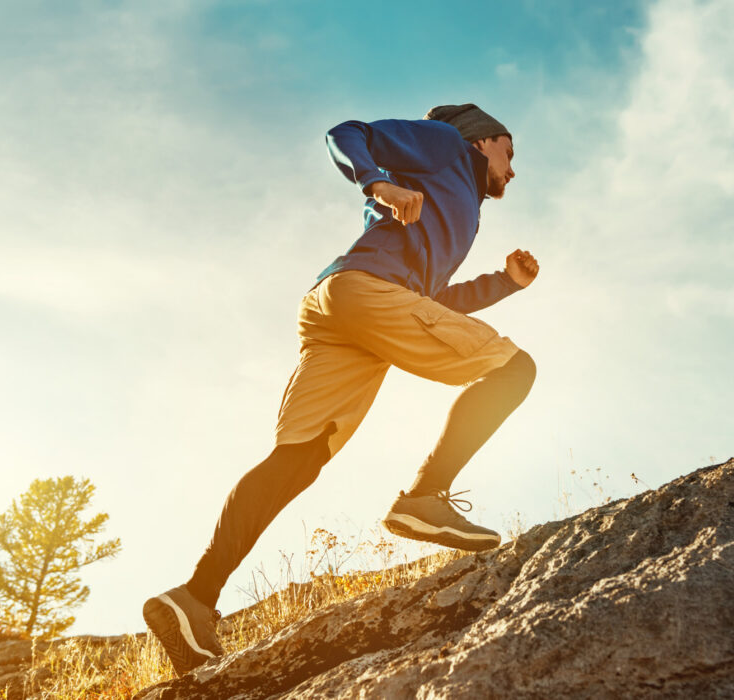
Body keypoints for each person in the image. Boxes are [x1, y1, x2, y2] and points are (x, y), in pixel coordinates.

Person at [143, 103, 539, 676]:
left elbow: (427, 305)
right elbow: (346, 133)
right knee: (514, 370)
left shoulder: (455, 204)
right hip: (364, 291)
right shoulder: (446, 145)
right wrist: (376, 182)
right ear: (484, 141)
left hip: (342, 306)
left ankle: (193, 598)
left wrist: (505, 283)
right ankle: (425, 497)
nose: (513, 169)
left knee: (298, 458)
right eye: (510, 151)